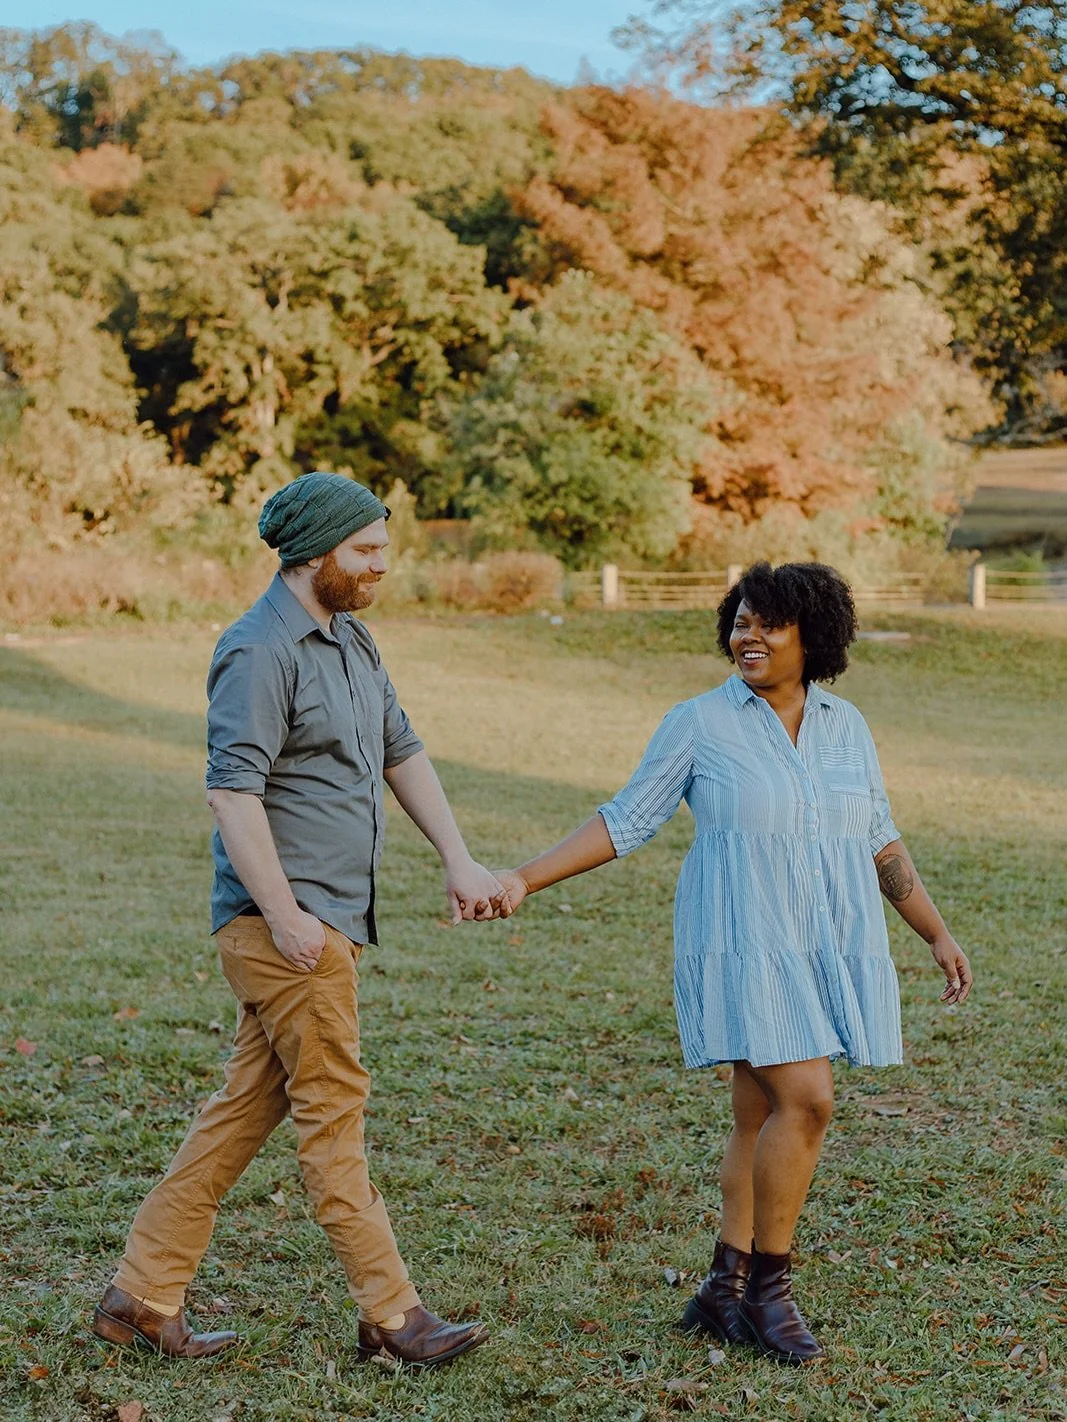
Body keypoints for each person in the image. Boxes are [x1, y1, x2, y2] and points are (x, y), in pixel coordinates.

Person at [494, 561, 973, 1365]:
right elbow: (625, 820)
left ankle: (724, 1287)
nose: (747, 636)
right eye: (739, 622)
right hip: (742, 944)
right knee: (807, 1102)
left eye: (766, 623)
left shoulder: (845, 726)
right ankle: (767, 1294)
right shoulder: (698, 723)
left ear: (812, 635)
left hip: (821, 944)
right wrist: (521, 878)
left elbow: (877, 838)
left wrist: (934, 932)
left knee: (757, 1113)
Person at [93, 472, 505, 1367]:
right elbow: (231, 793)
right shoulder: (259, 650)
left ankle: (141, 1295)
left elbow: (401, 750)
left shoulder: (350, 638)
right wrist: (285, 917)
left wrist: (458, 857)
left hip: (325, 921)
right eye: (366, 550)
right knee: (333, 1116)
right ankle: (391, 1315)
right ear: (315, 552)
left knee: (246, 1109)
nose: (381, 565)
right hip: (288, 925)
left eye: (384, 548)